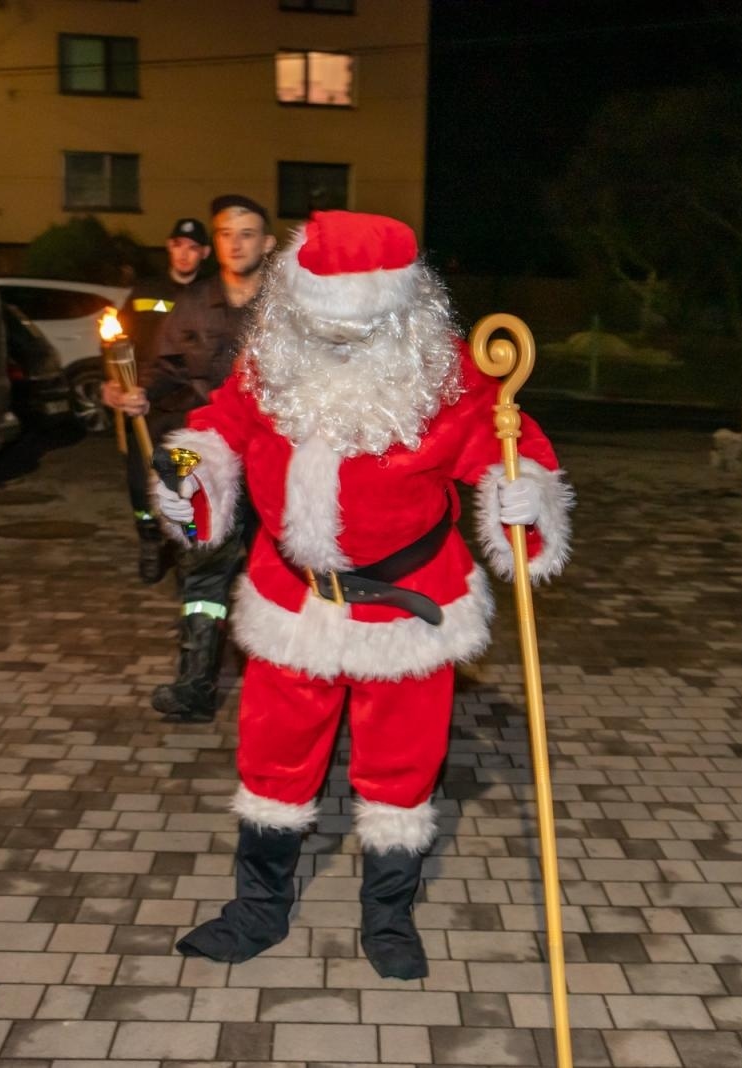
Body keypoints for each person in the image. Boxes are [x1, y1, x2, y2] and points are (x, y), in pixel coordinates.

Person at [152, 210, 573, 979]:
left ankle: (389, 919)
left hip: (408, 610)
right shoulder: (270, 364)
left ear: (404, 311)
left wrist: (524, 497)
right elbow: (218, 428)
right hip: (293, 603)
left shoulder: (451, 380)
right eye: (323, 326)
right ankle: (257, 910)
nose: (338, 344)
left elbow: (512, 452)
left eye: (358, 330)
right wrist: (193, 475)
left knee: (402, 775)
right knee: (272, 766)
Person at [104, 194, 277, 722]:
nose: (236, 242)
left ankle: (276, 682)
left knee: (275, 568)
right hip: (201, 451)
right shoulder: (193, 304)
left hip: (272, 453)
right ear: (214, 243)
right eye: (226, 232)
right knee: (201, 568)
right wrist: (137, 394)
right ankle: (195, 684)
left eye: (247, 233)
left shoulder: (287, 304)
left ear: (267, 244)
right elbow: (165, 371)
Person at [115, 216, 210, 584]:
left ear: (202, 253)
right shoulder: (142, 293)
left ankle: (187, 548)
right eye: (177, 245)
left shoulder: (207, 296)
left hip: (188, 408)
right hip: (144, 407)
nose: (184, 254)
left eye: (192, 247)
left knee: (184, 481)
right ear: (169, 247)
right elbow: (118, 342)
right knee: (142, 484)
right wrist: (114, 385)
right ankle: (150, 542)